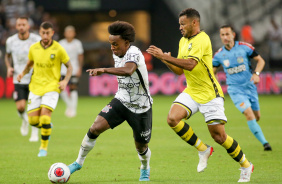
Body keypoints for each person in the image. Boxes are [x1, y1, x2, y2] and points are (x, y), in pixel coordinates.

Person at [147, 8, 253, 182]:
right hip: (192, 91)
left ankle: (246, 165)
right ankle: (203, 149)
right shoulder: (183, 41)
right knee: (172, 119)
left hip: (210, 94)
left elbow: (190, 65)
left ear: (194, 23)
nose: (180, 27)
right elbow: (180, 71)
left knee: (219, 136)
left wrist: (164, 56)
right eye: (179, 24)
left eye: (183, 24)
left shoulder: (202, 39)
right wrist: (164, 59)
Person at [68, 21, 153, 181]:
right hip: (121, 100)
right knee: (95, 127)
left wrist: (104, 70)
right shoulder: (116, 53)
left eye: (116, 44)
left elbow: (128, 70)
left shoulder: (134, 52)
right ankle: (78, 162)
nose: (112, 47)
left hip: (141, 106)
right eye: (111, 44)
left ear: (127, 43)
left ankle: (144, 167)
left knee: (141, 146)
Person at [17, 21, 72, 157]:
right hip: (35, 87)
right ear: (40, 33)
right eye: (43, 33)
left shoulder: (58, 49)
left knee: (45, 118)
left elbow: (69, 66)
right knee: (33, 122)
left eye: (48, 33)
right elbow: (30, 63)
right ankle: (47, 128)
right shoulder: (34, 48)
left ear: (52, 33)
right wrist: (22, 73)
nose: (45, 35)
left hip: (52, 87)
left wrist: (65, 81)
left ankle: (43, 148)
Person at [213, 25, 272, 151]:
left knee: (256, 117)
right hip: (235, 90)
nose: (225, 37)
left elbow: (260, 61)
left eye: (227, 34)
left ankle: (258, 132)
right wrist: (216, 84)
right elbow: (212, 71)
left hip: (250, 87)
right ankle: (265, 144)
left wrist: (256, 74)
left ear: (233, 34)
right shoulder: (219, 55)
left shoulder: (245, 47)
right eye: (222, 35)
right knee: (249, 114)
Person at [5, 17, 40, 142]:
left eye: (23, 24)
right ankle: (25, 121)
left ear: (28, 26)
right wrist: (9, 67)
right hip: (18, 78)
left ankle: (34, 133)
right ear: (16, 26)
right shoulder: (11, 41)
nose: (21, 27)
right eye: (19, 24)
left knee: (33, 106)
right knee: (20, 108)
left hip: (34, 78)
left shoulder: (36, 40)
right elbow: (7, 56)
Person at [59, 25, 84, 118]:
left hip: (74, 69)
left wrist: (80, 68)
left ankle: (73, 110)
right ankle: (69, 106)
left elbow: (80, 56)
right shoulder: (61, 43)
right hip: (62, 70)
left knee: (73, 88)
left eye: (71, 32)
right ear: (64, 33)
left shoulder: (77, 43)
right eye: (67, 32)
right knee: (61, 88)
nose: (69, 33)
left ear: (74, 33)